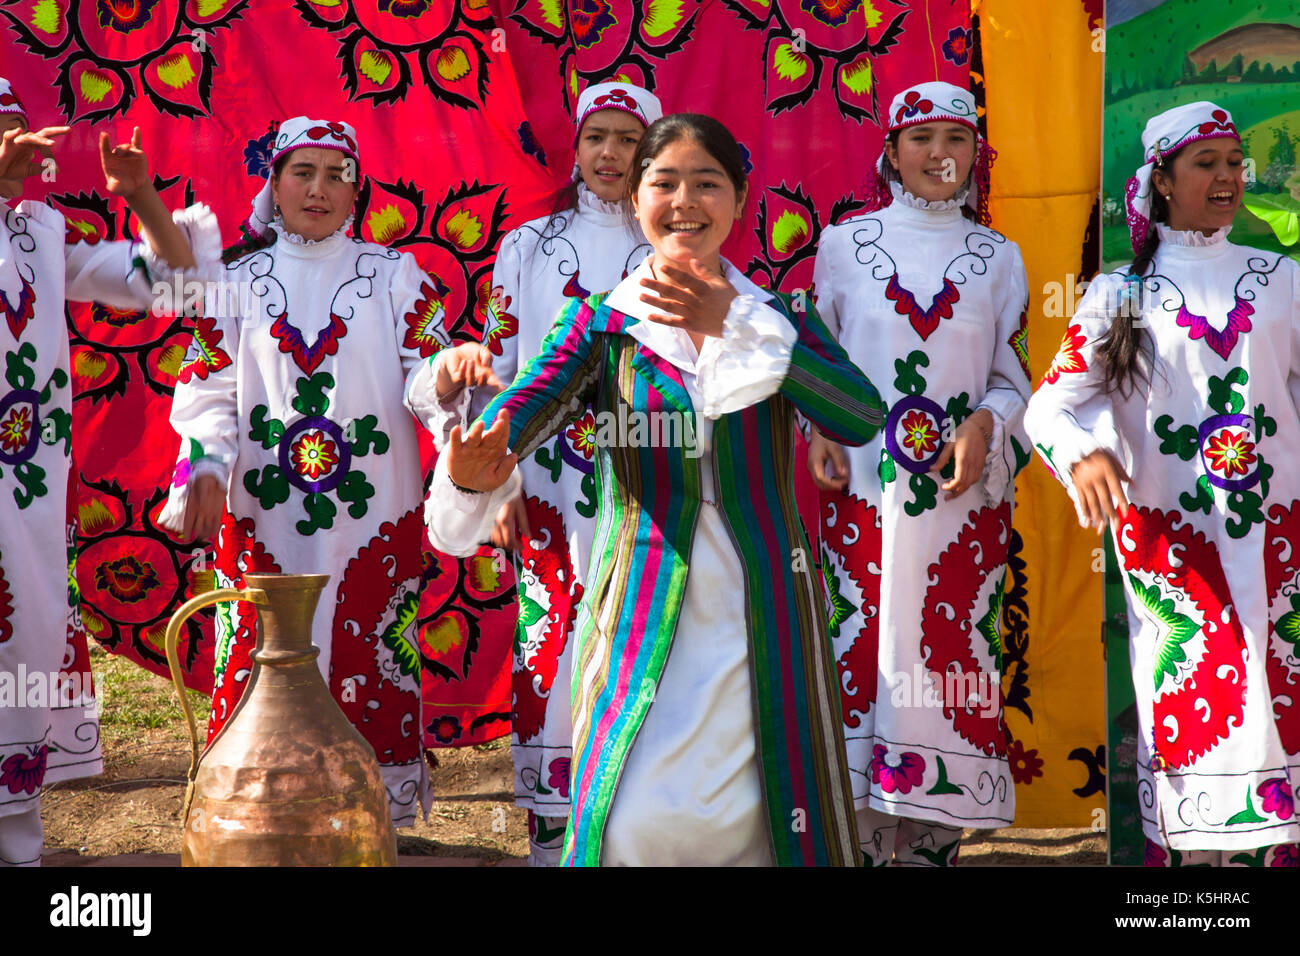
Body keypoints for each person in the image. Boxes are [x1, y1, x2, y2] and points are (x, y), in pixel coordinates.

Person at [422, 112, 883, 866]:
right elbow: (525, 409)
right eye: (664, 182)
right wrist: (479, 467)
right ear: (637, 199)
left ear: (739, 198)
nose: (685, 202)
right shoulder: (600, 326)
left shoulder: (781, 317)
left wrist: (735, 322)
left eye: (708, 183)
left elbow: (860, 415)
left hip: (765, 618)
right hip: (640, 620)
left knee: (775, 824)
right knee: (631, 827)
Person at [160, 116, 464, 828]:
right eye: (304, 172)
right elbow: (206, 389)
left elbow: (426, 377)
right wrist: (202, 465)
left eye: (338, 174)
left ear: (359, 189)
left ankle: (365, 825)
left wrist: (450, 401)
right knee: (265, 660)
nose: (320, 189)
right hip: (263, 520)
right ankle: (257, 821)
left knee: (368, 650)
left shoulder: (394, 275)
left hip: (372, 520)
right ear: (274, 182)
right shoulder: (233, 280)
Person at [1025, 101, 1299, 866]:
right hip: (1175, 553)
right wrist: (1082, 455)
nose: (1227, 177)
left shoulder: (1282, 279)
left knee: (1284, 704)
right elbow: (1049, 405)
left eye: (1234, 162)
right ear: (1163, 182)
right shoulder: (1121, 294)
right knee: (1196, 710)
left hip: (1278, 537)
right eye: (1206, 163)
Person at [424, 80, 660, 866]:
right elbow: (500, 372)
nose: (609, 154)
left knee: (641, 628)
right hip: (550, 481)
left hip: (648, 473)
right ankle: (552, 828)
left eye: (628, 139)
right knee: (552, 631)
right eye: (597, 137)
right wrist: (502, 481)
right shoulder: (529, 245)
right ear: (576, 146)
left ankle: (636, 822)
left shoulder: (674, 241)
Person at [808, 81, 1030, 866]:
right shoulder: (844, 244)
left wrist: (986, 422)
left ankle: (935, 849)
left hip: (955, 509)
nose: (941, 155)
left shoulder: (998, 256)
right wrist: (816, 429)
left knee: (945, 652)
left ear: (979, 153)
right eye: (922, 139)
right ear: (891, 153)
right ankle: (862, 847)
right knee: (861, 650)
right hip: (861, 500)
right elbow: (815, 361)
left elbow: (1015, 381)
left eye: (959, 139)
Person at [0, 78, 218, 865]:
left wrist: (143, 197)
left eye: (19, 129)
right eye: (2, 132)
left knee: (21, 636)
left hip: (23, 490)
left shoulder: (40, 234)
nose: (20, 145)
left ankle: (17, 841)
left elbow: (179, 284)